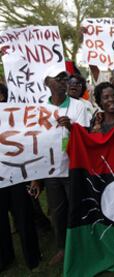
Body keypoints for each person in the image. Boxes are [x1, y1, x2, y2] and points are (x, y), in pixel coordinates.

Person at [30, 66, 90, 265]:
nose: (64, 82)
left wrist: (72, 128)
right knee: (57, 211)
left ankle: (81, 246)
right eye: (59, 78)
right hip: (50, 169)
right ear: (47, 83)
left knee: (77, 207)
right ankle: (63, 248)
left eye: (65, 78)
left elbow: (86, 137)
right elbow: (34, 143)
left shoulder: (78, 106)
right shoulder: (38, 109)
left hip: (73, 167)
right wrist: (36, 177)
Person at [0, 84, 41, 273]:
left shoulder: (17, 117)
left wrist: (33, 177)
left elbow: (28, 145)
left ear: (2, 96)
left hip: (17, 176)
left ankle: (32, 257)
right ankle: (5, 257)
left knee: (23, 217)